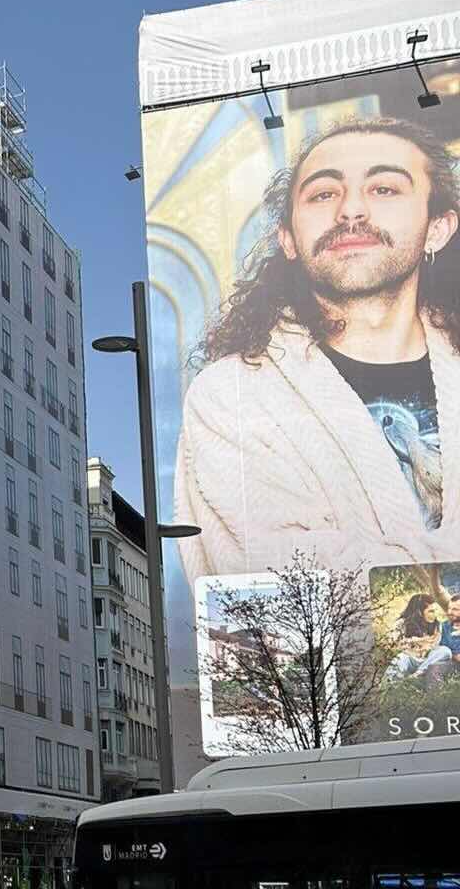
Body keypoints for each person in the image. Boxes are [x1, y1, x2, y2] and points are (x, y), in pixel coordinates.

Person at [175, 116, 460, 587]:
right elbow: (275, 581)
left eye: (384, 189)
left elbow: (346, 578)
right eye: (324, 194)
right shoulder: (231, 397)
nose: (351, 210)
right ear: (288, 238)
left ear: (438, 228)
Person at [385, 593, 452, 680]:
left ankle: (418, 674)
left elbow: (434, 646)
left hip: (427, 660)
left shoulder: (437, 625)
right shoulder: (402, 623)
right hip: (410, 658)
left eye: (435, 611)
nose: (434, 614)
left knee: (445, 651)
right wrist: (416, 641)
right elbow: (393, 644)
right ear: (419, 612)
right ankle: (391, 682)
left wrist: (428, 646)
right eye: (431, 611)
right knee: (401, 658)